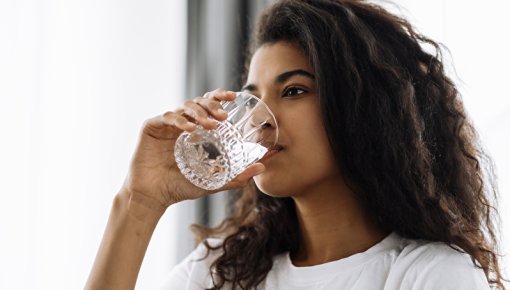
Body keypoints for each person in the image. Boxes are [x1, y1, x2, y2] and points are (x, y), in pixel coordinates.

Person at [85, 0, 506, 289]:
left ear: (363, 109)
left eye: (293, 91)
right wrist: (138, 201)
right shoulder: (221, 271)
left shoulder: (429, 274)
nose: (256, 118)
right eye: (250, 97)